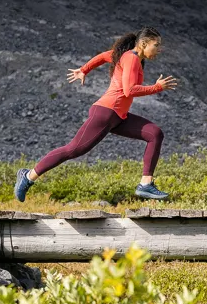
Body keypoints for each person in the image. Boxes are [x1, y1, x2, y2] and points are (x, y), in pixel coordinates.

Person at [14, 27, 177, 202]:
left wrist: (84, 69)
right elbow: (129, 90)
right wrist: (157, 87)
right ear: (144, 43)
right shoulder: (131, 58)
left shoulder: (126, 55)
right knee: (73, 150)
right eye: (156, 45)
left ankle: (145, 184)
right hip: (106, 113)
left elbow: (102, 57)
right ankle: (28, 176)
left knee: (155, 134)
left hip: (118, 116)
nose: (159, 50)